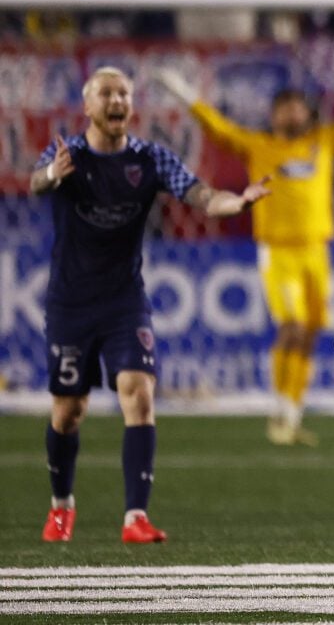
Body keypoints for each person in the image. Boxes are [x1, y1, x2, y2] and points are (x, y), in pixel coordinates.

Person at [33, 67, 269, 544]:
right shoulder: (66, 156)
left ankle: (135, 517)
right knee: (68, 412)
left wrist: (238, 202)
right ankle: (61, 507)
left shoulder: (151, 158)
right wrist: (50, 175)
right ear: (88, 104)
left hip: (125, 300)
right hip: (71, 303)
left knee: (138, 394)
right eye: (106, 93)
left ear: (132, 104)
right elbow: (39, 181)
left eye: (123, 93)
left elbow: (201, 195)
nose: (116, 100)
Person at [158, 69, 334, 447]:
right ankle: (278, 412)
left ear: (307, 113)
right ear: (273, 116)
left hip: (316, 251)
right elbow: (219, 129)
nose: (290, 114)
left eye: (296, 108)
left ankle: (290, 414)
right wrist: (187, 95)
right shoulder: (259, 146)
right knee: (292, 324)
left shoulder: (323, 141)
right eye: (283, 108)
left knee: (310, 330)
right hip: (278, 251)